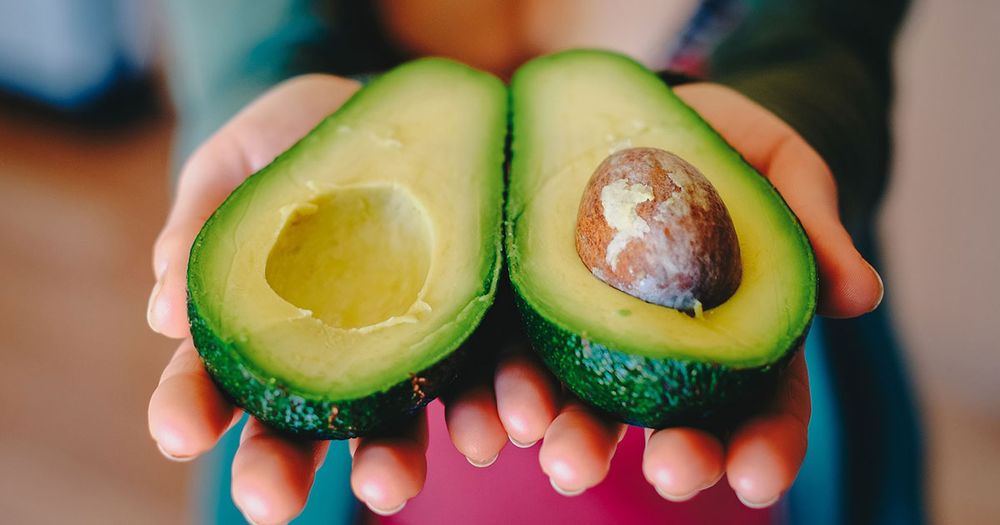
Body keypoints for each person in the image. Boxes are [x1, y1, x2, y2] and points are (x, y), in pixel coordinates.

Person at [147, 1, 922, 523]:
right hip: (387, 441)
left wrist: (800, 110)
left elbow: (831, 27)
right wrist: (258, 85)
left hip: (744, 419)